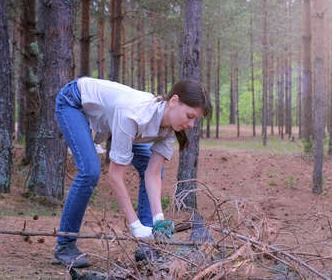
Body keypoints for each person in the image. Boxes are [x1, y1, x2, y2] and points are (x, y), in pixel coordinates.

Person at [52, 77, 212, 268]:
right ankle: (65, 245)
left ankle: (146, 244)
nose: (192, 125)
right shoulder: (132, 114)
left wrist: (158, 219)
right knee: (90, 171)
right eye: (189, 116)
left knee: (150, 167)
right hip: (75, 101)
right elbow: (115, 176)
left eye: (195, 120)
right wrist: (134, 225)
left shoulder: (169, 129)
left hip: (115, 117)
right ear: (174, 101)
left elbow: (152, 174)